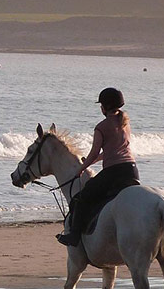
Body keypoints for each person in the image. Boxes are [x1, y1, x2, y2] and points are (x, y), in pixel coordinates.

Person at [56, 87, 139, 246]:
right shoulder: (126, 123)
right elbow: (111, 151)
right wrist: (91, 162)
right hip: (132, 171)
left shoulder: (102, 126)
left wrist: (80, 169)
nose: (100, 108)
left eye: (101, 105)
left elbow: (95, 152)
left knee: (80, 199)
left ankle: (74, 237)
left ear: (105, 107)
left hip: (114, 173)